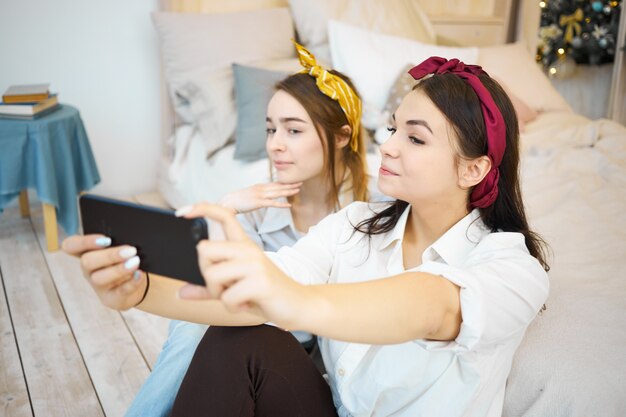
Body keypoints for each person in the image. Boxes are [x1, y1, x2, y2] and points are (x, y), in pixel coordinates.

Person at [64, 56, 550, 417]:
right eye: (392, 129)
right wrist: (141, 290)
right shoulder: (355, 224)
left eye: (415, 138)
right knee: (235, 339)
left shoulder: (512, 267)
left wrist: (292, 301)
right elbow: (271, 280)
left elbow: (435, 304)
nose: (389, 146)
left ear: (474, 168)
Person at [115, 42, 371, 417]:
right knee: (194, 326)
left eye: (293, 130)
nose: (275, 145)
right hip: (256, 345)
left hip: (324, 371)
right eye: (270, 130)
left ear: (342, 136)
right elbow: (219, 291)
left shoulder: (372, 211)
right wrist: (227, 209)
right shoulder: (256, 205)